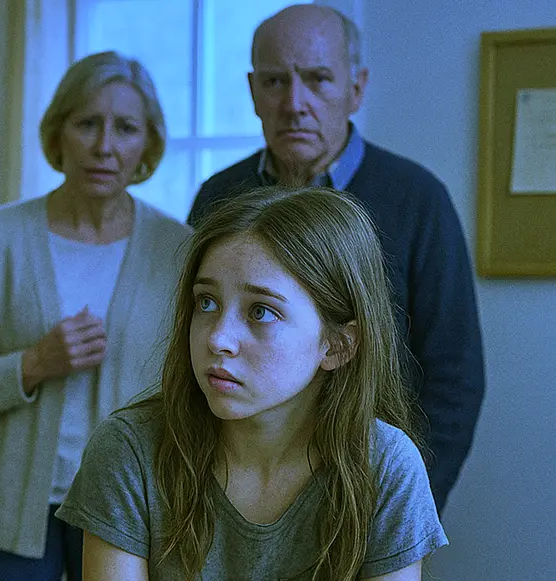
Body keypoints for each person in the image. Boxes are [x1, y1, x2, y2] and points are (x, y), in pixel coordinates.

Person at [58, 186, 447, 580]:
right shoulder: (129, 452)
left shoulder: (385, 465)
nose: (217, 339)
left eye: (261, 311)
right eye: (206, 302)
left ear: (337, 345)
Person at [187, 4, 484, 512]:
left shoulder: (416, 199)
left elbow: (455, 375)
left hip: (367, 489)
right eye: (275, 81)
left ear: (356, 88)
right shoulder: (220, 196)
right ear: (253, 92)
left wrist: (408, 507)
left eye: (318, 79)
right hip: (232, 492)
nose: (294, 103)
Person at [0, 51, 191, 581]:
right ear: (58, 132)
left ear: (148, 144)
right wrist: (33, 364)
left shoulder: (178, 248)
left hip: (133, 505)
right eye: (87, 123)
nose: (104, 146)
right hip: (6, 511)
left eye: (125, 128)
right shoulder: (0, 236)